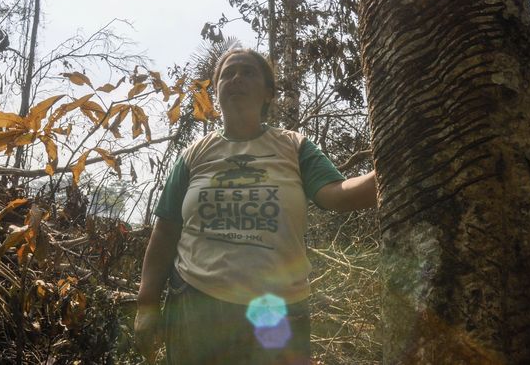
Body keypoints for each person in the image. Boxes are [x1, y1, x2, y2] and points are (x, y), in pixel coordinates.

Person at [134, 48, 377, 364]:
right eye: (227, 73)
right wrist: (147, 305)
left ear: (268, 93)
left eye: (248, 72)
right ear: (216, 91)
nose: (236, 78)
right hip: (196, 306)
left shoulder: (293, 146)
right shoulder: (194, 154)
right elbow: (165, 232)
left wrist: (391, 166)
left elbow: (338, 194)